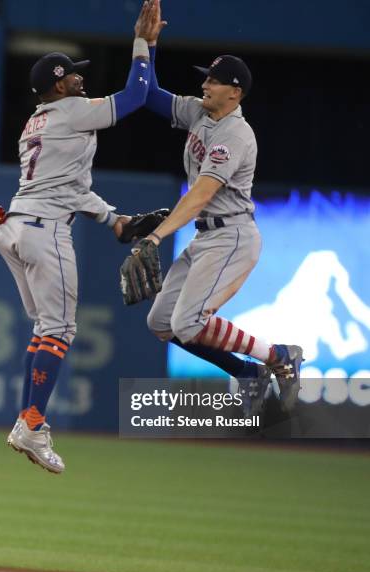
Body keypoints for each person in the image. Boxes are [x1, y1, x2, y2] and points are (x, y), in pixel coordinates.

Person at [0, 2, 156, 474]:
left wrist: (115, 220)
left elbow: (72, 188)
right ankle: (33, 424)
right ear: (58, 83)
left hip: (15, 226)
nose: (81, 78)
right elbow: (138, 95)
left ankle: (29, 423)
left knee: (46, 330)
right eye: (74, 75)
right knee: (60, 332)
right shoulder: (72, 111)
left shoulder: (36, 122)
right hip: (44, 231)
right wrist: (145, 44)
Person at [141, 0, 303, 416]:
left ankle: (279, 354)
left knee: (188, 322)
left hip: (231, 235)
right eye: (207, 78)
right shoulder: (200, 112)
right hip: (205, 235)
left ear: (235, 91)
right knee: (161, 323)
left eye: (214, 80)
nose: (206, 84)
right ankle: (247, 372)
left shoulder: (236, 134)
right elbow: (148, 95)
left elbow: (200, 194)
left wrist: (158, 236)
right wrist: (147, 44)